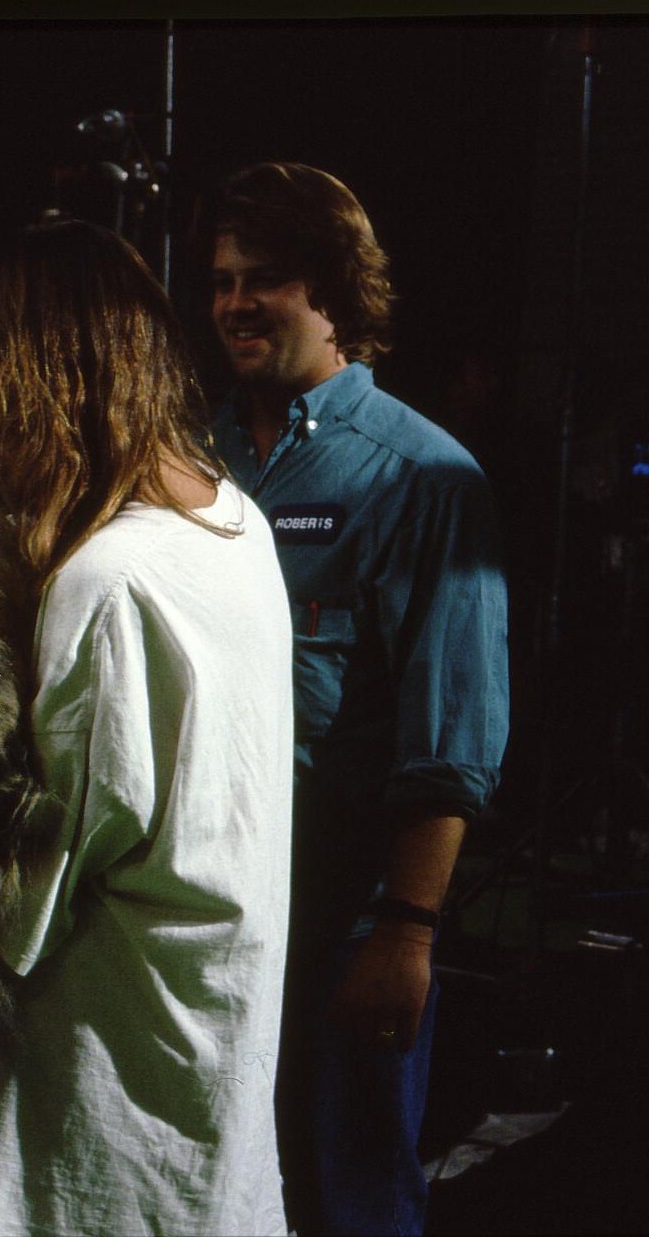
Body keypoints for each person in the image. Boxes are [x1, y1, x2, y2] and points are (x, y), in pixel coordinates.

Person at [0, 220, 293, 1235]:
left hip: (104, 1101)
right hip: (203, 1059)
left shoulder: (107, 580)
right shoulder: (234, 520)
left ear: (47, 374)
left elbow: (25, 911)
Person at [200, 162, 510, 1235]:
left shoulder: (423, 478)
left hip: (344, 931)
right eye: (222, 281)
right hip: (205, 923)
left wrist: (405, 934)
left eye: (265, 279)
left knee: (349, 1200)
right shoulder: (185, 463)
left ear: (336, 290)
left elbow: (451, 736)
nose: (235, 304)